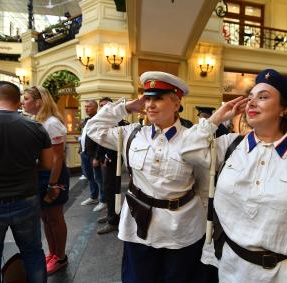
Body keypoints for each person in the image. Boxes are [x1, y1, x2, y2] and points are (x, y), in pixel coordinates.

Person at [181, 69, 287, 282]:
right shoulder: (229, 146)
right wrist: (217, 117)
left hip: (286, 272)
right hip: (232, 268)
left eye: (262, 97)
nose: (252, 103)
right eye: (250, 97)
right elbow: (186, 151)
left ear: (283, 110)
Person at [86, 71, 206, 283]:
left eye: (158, 98)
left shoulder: (193, 139)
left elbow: (203, 186)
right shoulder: (131, 134)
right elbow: (93, 128)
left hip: (181, 228)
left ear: (177, 103)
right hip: (139, 224)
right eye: (147, 98)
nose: (150, 104)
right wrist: (125, 107)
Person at [0, 81, 50, 283]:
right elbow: (47, 164)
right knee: (33, 252)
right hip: (26, 199)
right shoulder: (36, 127)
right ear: (18, 102)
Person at [22, 86, 69, 275]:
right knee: (46, 218)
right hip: (41, 175)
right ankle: (53, 253)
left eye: (26, 98)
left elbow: (58, 158)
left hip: (51, 176)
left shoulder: (51, 123)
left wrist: (52, 184)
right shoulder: (39, 121)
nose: (23, 102)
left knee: (55, 217)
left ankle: (61, 257)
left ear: (38, 102)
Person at [96, 97, 129, 235]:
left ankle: (113, 220)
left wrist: (107, 157)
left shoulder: (120, 123)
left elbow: (117, 143)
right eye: (101, 106)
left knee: (112, 189)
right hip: (105, 159)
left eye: (105, 105)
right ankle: (111, 213)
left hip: (112, 160)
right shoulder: (103, 122)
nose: (102, 108)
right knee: (106, 188)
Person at [80, 100, 106, 212]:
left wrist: (97, 157)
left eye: (89, 106)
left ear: (95, 108)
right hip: (85, 153)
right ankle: (93, 197)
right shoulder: (86, 121)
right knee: (90, 177)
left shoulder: (99, 120)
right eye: (85, 106)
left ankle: (103, 200)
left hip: (93, 155)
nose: (86, 108)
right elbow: (84, 136)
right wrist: (81, 149)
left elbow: (101, 140)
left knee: (98, 178)